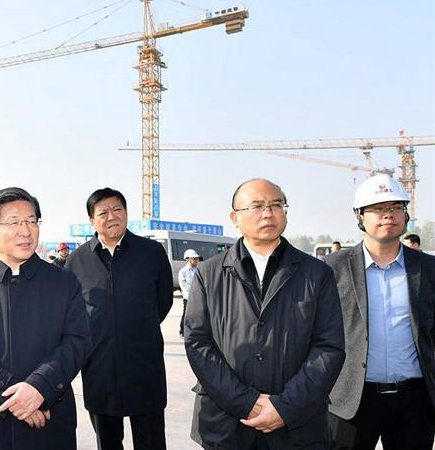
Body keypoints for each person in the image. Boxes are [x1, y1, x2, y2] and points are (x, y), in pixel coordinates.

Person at [184, 178, 345, 449]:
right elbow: (198, 344)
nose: (268, 213)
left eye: (276, 205)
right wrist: (246, 402)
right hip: (227, 426)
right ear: (235, 218)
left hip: (297, 426)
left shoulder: (317, 274)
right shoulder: (208, 274)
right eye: (257, 206)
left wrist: (285, 407)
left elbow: (328, 347)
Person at [0, 187, 91, 450]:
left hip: (49, 420)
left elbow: (77, 342)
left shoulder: (65, 283)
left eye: (32, 221)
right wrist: (17, 397)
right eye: (13, 222)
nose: (25, 231)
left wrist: (40, 387)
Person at [325, 174, 435, 449]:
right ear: (359, 217)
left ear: (405, 215)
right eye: (378, 209)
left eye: (396, 207)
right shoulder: (331, 269)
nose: (389, 215)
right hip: (350, 401)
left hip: (415, 401)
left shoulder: (428, 268)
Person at [65, 187, 173, 450]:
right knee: (108, 442)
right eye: (103, 212)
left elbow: (163, 301)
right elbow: (73, 312)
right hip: (99, 367)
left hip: (144, 364)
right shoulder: (77, 260)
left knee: (151, 441)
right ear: (91, 220)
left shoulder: (151, 252)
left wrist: (135, 326)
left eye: (117, 209)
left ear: (126, 212)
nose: (111, 216)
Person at [178, 248, 200, 338]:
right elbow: (184, 286)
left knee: (197, 314)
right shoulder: (183, 271)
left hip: (198, 296)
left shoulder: (197, 270)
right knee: (187, 314)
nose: (196, 260)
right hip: (188, 297)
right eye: (194, 258)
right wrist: (193, 292)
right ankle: (182, 330)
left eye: (197, 258)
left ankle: (194, 330)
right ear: (187, 259)